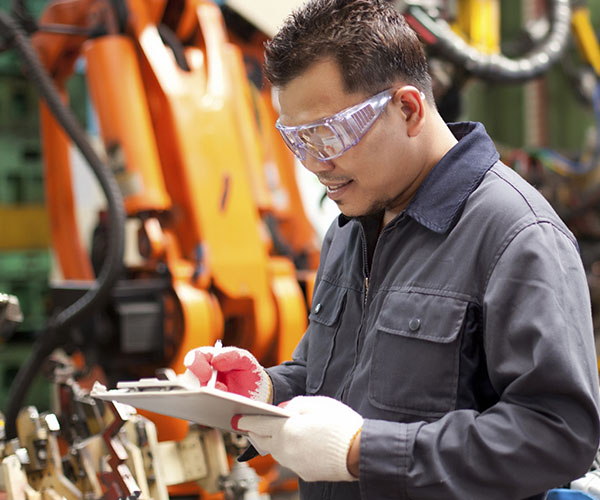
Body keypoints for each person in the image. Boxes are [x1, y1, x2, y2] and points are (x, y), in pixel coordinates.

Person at [182, 0, 600, 498]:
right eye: (297, 140)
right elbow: (334, 378)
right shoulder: (352, 225)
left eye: (329, 135)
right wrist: (267, 392)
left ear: (407, 108)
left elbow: (557, 436)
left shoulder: (516, 236)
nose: (315, 164)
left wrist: (364, 451)